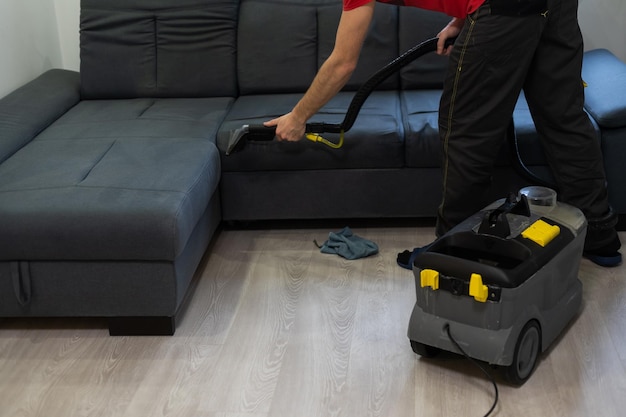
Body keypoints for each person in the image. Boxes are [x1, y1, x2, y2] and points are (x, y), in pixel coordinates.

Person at [264, 0, 622, 267]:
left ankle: (454, 253)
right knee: (564, 119)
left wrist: (298, 116)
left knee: (465, 132)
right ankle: (600, 236)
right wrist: (462, 17)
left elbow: (343, 62)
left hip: (505, 9)